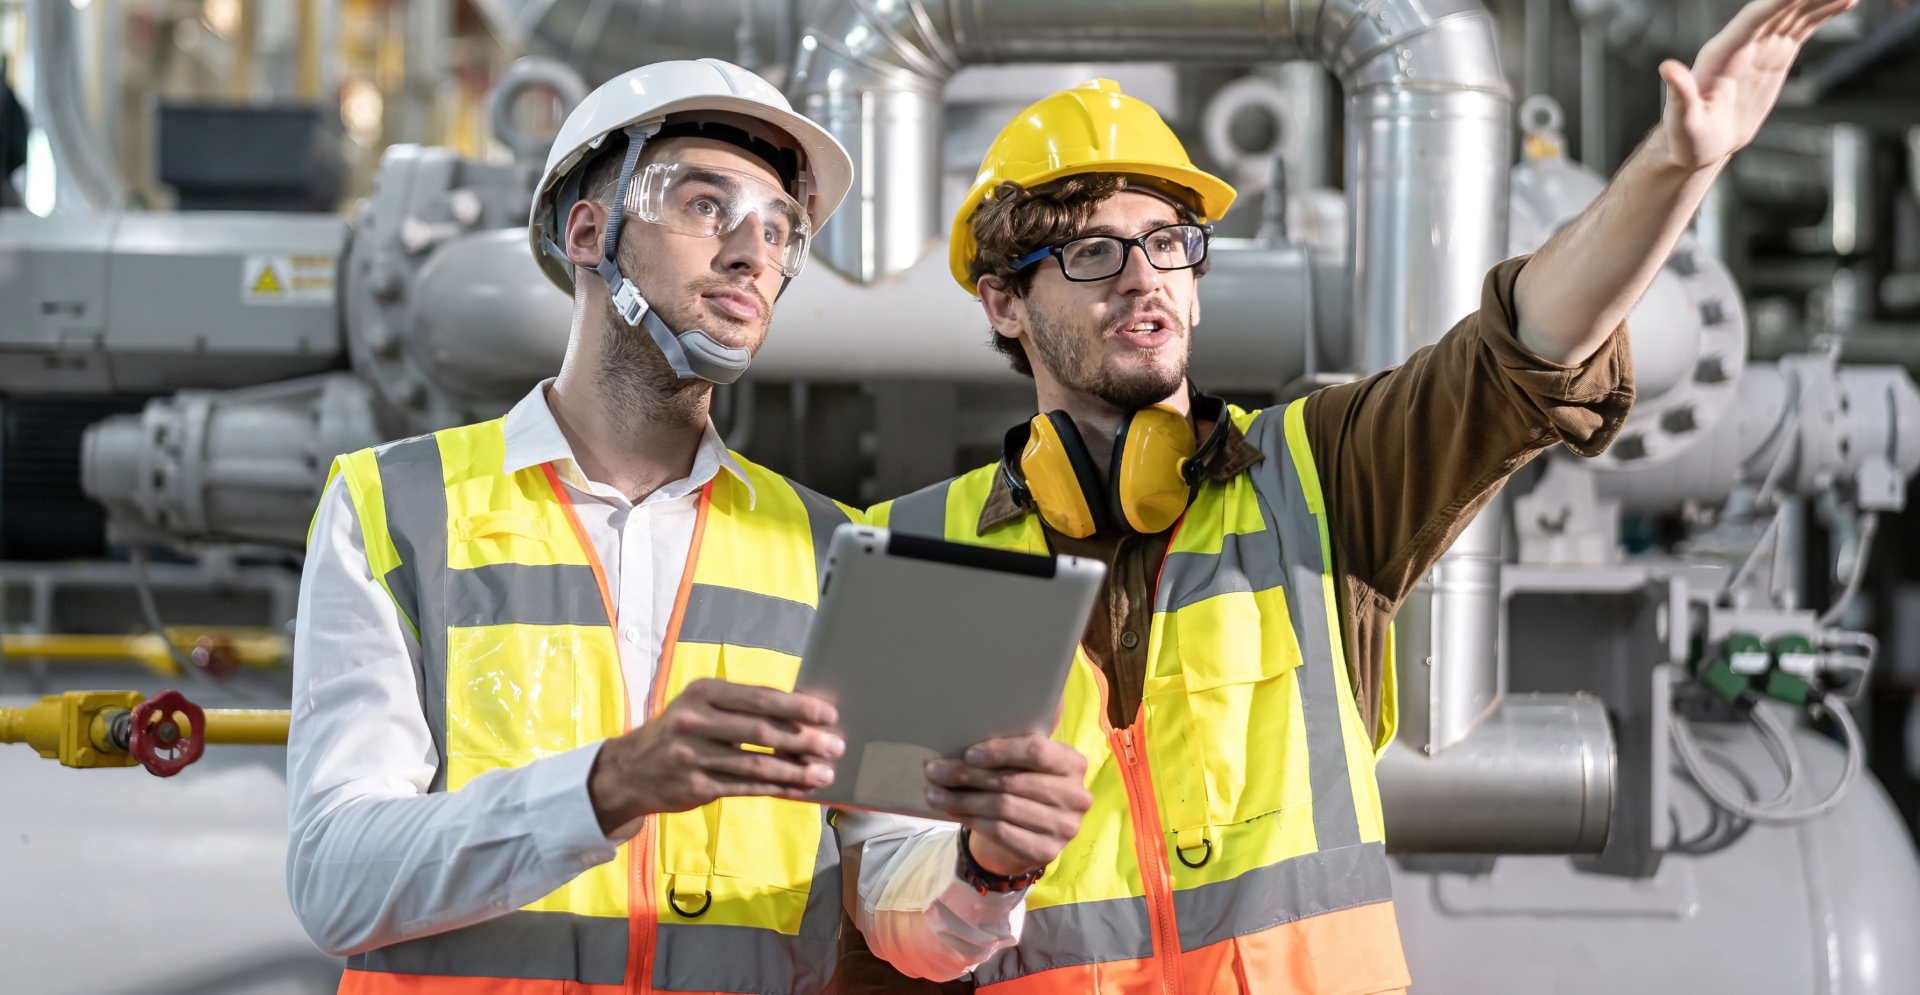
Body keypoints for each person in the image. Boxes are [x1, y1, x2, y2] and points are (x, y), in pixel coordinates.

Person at [843, 0, 1853, 991]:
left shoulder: (1314, 475)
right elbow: (890, 909)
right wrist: (983, 870)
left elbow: (1523, 351)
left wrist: (1678, 164)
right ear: (1004, 299)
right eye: (1094, 251)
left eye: (1170, 242)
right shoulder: (929, 549)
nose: (1146, 279)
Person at [285, 58, 1087, 995]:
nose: (753, 251)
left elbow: (897, 907)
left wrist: (985, 865)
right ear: (590, 231)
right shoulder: (396, 505)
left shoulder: (826, 545)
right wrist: (605, 788)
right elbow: (335, 877)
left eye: (781, 230)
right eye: (705, 205)